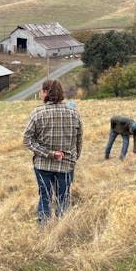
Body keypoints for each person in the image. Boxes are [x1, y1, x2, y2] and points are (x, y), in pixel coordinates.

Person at [23, 79, 83, 224]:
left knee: (45, 196)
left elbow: (27, 140)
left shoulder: (37, 113)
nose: (40, 93)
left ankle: (44, 227)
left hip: (43, 166)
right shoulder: (73, 113)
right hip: (66, 165)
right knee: (63, 197)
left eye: (41, 91)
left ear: (45, 93)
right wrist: (73, 159)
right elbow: (79, 140)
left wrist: (48, 154)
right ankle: (62, 228)